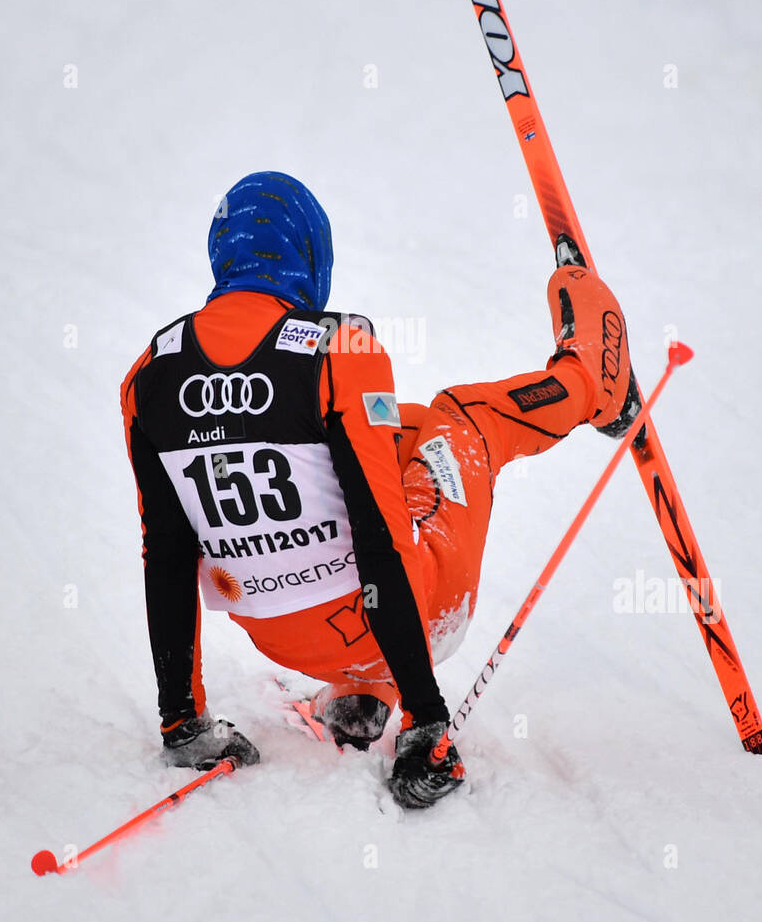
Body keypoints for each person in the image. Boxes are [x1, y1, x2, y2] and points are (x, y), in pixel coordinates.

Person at [121, 171, 633, 810]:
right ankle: (593, 381)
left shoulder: (148, 377)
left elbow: (167, 554)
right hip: (411, 615)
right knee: (462, 420)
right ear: (311, 255)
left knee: (404, 430)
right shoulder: (339, 350)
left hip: (281, 633)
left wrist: (182, 724)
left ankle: (364, 695)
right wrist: (427, 722)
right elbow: (380, 537)